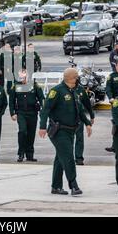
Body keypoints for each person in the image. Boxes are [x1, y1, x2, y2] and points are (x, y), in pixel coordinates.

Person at [39, 68, 92, 196]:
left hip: (71, 130)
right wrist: (42, 127)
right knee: (68, 158)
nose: (78, 79)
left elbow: (79, 109)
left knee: (60, 158)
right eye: (76, 77)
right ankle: (73, 185)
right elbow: (45, 110)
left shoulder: (73, 91)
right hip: (59, 131)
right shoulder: (56, 91)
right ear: (71, 78)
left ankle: (56, 187)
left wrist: (87, 123)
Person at [9, 69, 45, 162]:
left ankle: (30, 154)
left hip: (32, 112)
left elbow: (41, 98)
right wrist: (12, 113)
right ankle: (21, 153)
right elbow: (11, 101)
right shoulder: (15, 86)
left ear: (28, 76)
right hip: (21, 113)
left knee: (31, 134)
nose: (22, 79)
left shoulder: (34, 85)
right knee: (22, 131)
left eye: (24, 77)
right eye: (20, 77)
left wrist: (43, 110)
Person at [74, 79, 95, 165]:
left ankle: (79, 158)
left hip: (79, 117)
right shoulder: (61, 89)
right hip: (66, 118)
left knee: (79, 138)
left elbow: (87, 104)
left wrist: (91, 115)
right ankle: (66, 157)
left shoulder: (81, 90)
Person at [105, 61, 118, 153]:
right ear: (115, 67)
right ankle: (115, 146)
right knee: (116, 125)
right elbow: (108, 88)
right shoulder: (112, 76)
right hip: (115, 104)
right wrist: (110, 98)